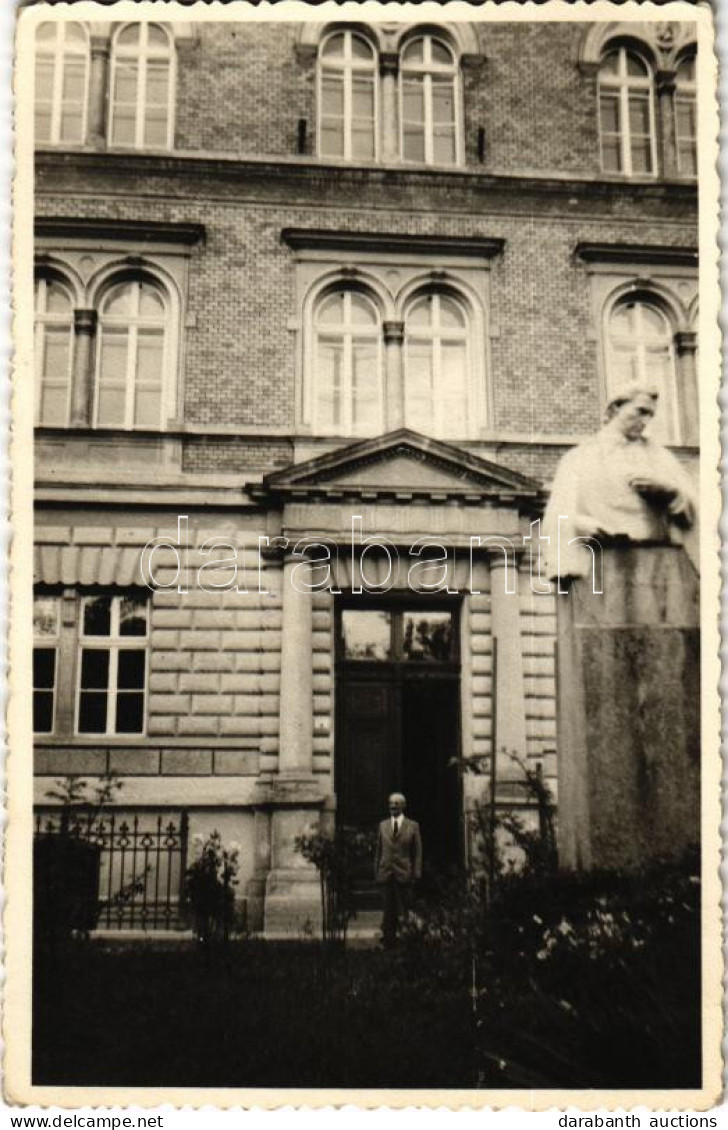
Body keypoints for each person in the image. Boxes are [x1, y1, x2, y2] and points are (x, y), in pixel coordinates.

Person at [541, 380, 697, 582]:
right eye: (640, 411)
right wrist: (578, 524)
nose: (645, 420)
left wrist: (671, 494)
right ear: (616, 408)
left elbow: (694, 516)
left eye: (650, 415)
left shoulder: (662, 458)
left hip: (658, 566)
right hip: (601, 564)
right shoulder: (578, 458)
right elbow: (557, 516)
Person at [374, 793, 422, 948]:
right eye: (390, 803)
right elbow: (378, 850)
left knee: (406, 908)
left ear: (403, 806)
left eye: (396, 803)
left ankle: (407, 941)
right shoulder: (383, 825)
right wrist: (377, 870)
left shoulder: (413, 826)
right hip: (386, 872)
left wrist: (416, 872)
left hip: (404, 873)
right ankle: (389, 942)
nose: (392, 806)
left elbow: (417, 851)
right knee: (388, 909)